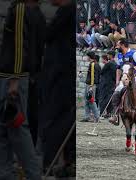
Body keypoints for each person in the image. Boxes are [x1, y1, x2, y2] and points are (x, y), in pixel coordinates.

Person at [0, 0, 45, 179]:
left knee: (18, 130)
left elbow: (19, 45)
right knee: (1, 130)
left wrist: (15, 79)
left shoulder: (21, 8)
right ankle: (6, 175)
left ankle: (33, 175)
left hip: (12, 78)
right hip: (5, 76)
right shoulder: (18, 7)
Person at [38, 0, 75, 177]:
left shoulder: (67, 12)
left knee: (55, 121)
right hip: (61, 76)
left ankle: (55, 162)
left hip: (60, 77)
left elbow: (47, 34)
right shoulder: (67, 11)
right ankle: (65, 162)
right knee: (61, 119)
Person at [81, 51, 101, 123]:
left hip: (90, 85)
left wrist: (91, 86)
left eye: (87, 56)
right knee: (87, 100)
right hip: (90, 84)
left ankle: (97, 117)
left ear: (89, 57)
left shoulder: (92, 64)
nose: (86, 58)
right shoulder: (96, 64)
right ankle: (87, 117)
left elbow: (93, 76)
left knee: (91, 101)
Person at [99, 51, 117, 118]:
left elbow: (102, 72)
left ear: (110, 55)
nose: (107, 56)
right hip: (113, 83)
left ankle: (102, 113)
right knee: (110, 99)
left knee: (103, 99)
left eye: (108, 55)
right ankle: (109, 113)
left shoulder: (109, 64)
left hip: (106, 84)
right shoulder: (115, 64)